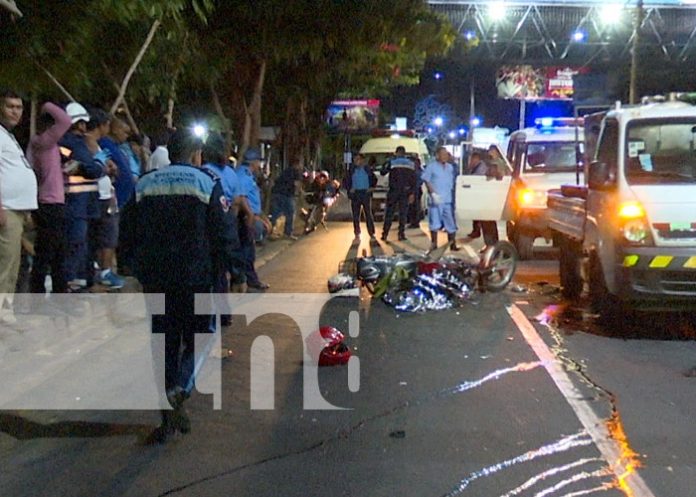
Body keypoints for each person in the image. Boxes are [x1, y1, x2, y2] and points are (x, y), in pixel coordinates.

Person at [120, 128, 242, 443]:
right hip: (196, 277)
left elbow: (127, 230)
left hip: (156, 279)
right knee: (203, 334)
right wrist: (234, 271)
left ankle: (167, 418)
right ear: (195, 154)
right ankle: (181, 388)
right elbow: (222, 232)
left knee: (164, 344)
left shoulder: (143, 184)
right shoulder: (206, 183)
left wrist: (132, 267)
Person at [0, 90, 38, 326]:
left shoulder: (9, 136)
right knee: (5, 263)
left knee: (13, 264)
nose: (15, 111)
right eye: (10, 106)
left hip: (18, 209)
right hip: (7, 208)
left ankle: (5, 311)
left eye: (19, 107)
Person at [27, 101, 72, 295]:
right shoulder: (45, 141)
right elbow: (65, 120)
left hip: (49, 202)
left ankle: (59, 292)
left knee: (56, 253)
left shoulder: (38, 144)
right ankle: (39, 294)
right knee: (47, 254)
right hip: (50, 203)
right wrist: (47, 105)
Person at [59, 102, 105, 291]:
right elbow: (78, 168)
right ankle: (71, 282)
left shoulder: (82, 144)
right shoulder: (66, 144)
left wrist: (96, 166)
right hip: (75, 205)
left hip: (88, 204)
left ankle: (86, 280)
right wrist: (97, 166)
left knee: (87, 246)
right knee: (76, 245)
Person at [84, 108, 124, 289]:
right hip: (100, 197)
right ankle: (105, 272)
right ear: (101, 125)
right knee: (108, 235)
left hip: (105, 194)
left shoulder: (97, 144)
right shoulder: (89, 142)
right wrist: (109, 168)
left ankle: (101, 270)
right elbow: (99, 167)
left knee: (106, 234)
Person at [236, 148, 271, 290]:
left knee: (248, 250)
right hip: (245, 217)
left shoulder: (248, 175)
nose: (259, 165)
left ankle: (248, 280)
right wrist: (251, 216)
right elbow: (242, 198)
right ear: (253, 162)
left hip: (250, 216)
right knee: (247, 251)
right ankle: (246, 281)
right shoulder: (243, 176)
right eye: (258, 162)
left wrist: (262, 218)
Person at [422, 147, 460, 252]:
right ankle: (434, 245)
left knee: (451, 223)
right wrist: (433, 193)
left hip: (448, 200)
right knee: (434, 223)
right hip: (436, 200)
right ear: (437, 155)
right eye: (442, 154)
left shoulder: (450, 167)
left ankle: (452, 244)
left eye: (446, 154)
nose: (444, 156)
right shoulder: (431, 167)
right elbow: (426, 180)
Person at [381, 146, 416, 241]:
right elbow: (414, 179)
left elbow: (382, 172)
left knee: (389, 213)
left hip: (393, 191)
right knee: (403, 214)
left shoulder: (392, 162)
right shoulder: (411, 164)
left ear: (396, 153)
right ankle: (401, 234)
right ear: (404, 153)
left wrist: (387, 161)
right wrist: (412, 193)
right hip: (405, 191)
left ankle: (385, 234)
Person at [343, 153, 377, 241]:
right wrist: (349, 189)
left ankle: (371, 232)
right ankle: (357, 232)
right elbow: (346, 181)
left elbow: (374, 179)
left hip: (365, 193)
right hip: (355, 194)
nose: (356, 161)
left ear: (362, 160)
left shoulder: (367, 169)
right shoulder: (351, 170)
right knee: (355, 215)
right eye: (355, 160)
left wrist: (371, 188)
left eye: (358, 159)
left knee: (368, 214)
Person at [269, 163, 302, 240]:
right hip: (286, 194)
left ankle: (271, 232)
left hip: (276, 193)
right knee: (290, 213)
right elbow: (297, 184)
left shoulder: (285, 171)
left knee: (275, 213)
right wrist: (299, 193)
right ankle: (287, 233)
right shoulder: (295, 172)